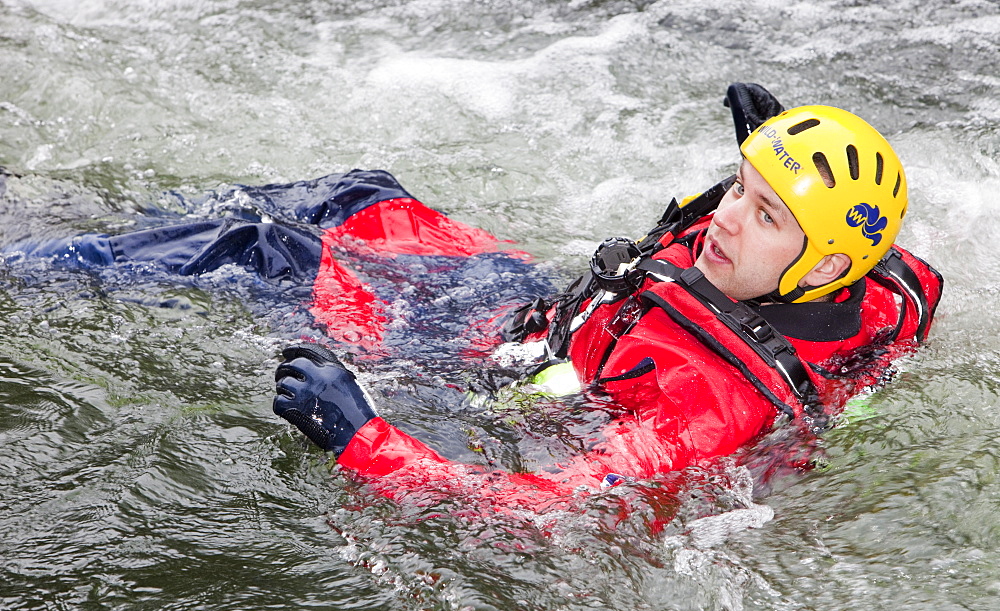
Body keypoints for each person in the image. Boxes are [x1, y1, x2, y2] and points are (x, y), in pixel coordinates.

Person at [6, 84, 943, 514]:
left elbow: (536, 512)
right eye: (739, 188)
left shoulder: (703, 407)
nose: (730, 218)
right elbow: (845, 254)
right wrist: (773, 155)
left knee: (250, 251)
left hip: (485, 372)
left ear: (819, 268)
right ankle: (74, 222)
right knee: (363, 192)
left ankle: (27, 260)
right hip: (531, 309)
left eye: (766, 215)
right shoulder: (845, 279)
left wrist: (360, 438)